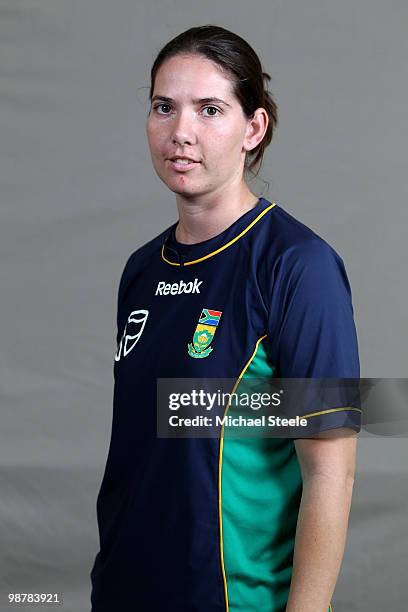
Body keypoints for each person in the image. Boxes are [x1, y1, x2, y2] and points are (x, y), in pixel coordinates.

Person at [90, 25, 361, 612]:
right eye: (164, 107)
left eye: (210, 109)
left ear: (253, 128)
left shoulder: (299, 267)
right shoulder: (141, 270)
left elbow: (330, 475)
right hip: (121, 592)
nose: (180, 132)